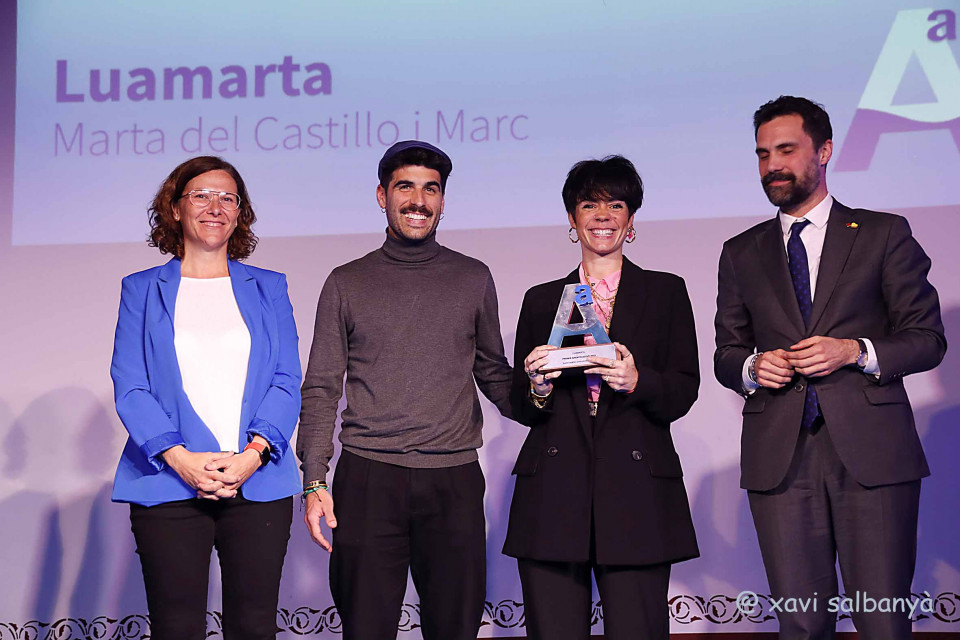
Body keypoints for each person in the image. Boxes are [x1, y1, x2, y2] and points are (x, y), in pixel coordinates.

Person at [714, 96, 947, 639]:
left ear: (824, 151)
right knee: (799, 621)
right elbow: (727, 353)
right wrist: (753, 367)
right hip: (780, 458)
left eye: (786, 150)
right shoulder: (741, 251)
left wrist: (855, 351)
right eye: (763, 154)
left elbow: (927, 340)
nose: (773, 165)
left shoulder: (883, 233)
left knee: (882, 618)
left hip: (873, 454)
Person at [296, 140, 513, 640]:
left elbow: (493, 373)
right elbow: (322, 387)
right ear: (382, 196)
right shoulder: (346, 282)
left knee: (455, 629)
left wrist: (546, 392)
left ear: (443, 200)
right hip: (368, 479)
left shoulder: (473, 277)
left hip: (453, 479)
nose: (419, 200)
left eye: (431, 189)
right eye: (405, 187)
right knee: (366, 629)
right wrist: (314, 480)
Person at [504, 155, 700, 640]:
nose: (603, 216)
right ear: (572, 219)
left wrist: (637, 380)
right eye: (589, 204)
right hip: (553, 493)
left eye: (616, 204)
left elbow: (684, 389)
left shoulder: (665, 291)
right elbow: (522, 405)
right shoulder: (541, 298)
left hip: (637, 493)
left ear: (631, 220)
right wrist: (538, 387)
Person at [110, 156, 302, 640]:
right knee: (176, 629)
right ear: (175, 209)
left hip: (256, 480)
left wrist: (252, 457)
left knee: (254, 628)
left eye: (227, 198)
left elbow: (286, 379)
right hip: (168, 480)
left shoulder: (270, 286)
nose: (215, 206)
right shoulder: (140, 289)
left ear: (239, 213)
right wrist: (182, 460)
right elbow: (131, 386)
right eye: (201, 195)